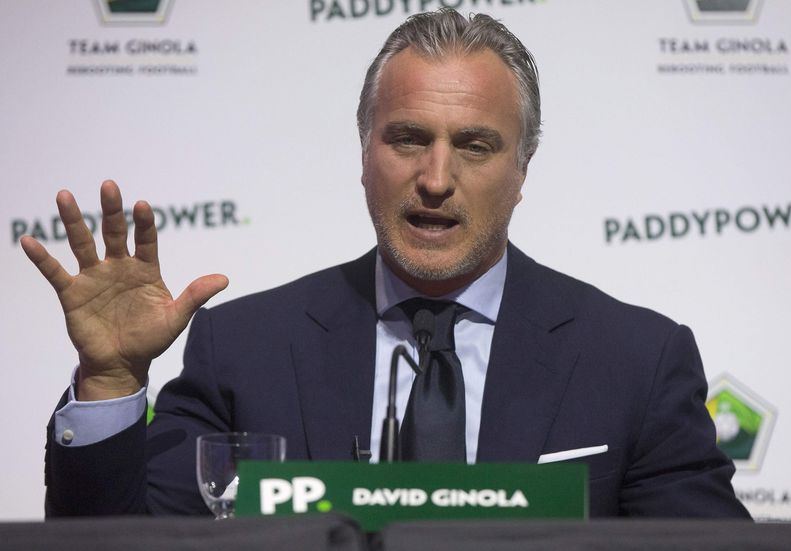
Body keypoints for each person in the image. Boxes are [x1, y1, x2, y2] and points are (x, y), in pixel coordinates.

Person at [23, 9, 749, 518]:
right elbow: (116, 542)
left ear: (522, 169)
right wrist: (111, 381)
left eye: (474, 145)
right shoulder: (244, 351)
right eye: (407, 138)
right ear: (364, 155)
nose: (436, 178)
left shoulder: (635, 360)